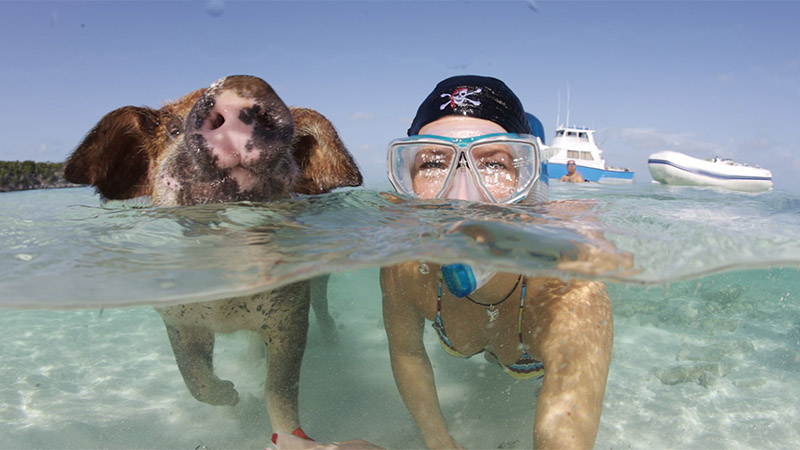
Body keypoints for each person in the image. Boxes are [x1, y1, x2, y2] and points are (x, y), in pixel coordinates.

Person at [381, 75, 615, 449]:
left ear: (526, 179)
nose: (460, 198)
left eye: (493, 162)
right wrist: (438, 442)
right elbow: (407, 351)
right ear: (404, 176)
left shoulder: (571, 295)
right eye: (431, 163)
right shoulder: (406, 268)